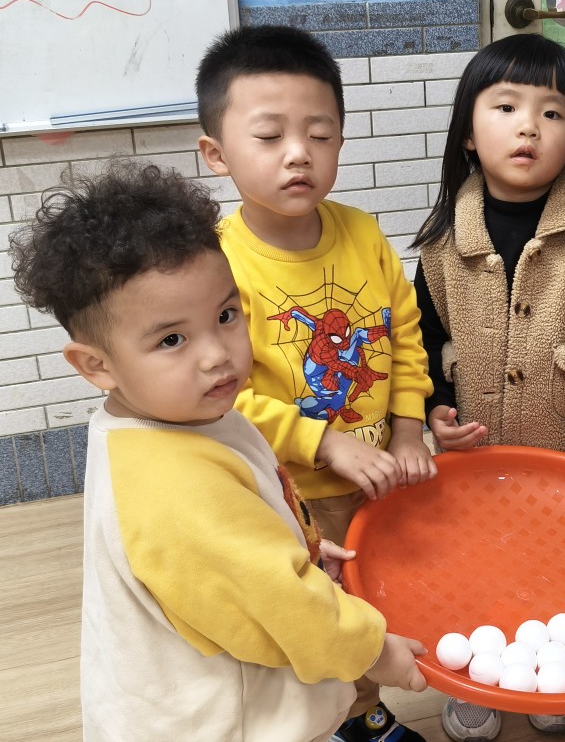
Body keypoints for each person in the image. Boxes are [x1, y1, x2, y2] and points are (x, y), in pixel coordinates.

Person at [8, 160, 428, 742]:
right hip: (219, 722)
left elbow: (238, 546)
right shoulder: (171, 485)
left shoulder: (186, 415)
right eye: (172, 339)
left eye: (227, 316)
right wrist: (374, 651)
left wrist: (296, 548)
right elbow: (284, 607)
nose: (218, 354)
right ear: (96, 365)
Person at [195, 25, 435, 742]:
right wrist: (324, 443)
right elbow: (222, 395)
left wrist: (409, 429)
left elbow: (403, 335)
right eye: (270, 136)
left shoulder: (363, 234)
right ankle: (352, 720)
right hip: (291, 491)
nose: (299, 152)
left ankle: (368, 704)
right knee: (322, 614)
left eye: (320, 134)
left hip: (383, 477)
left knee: (383, 599)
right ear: (216, 154)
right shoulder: (214, 266)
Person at [411, 33, 565, 741]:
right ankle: (476, 678)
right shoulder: (441, 242)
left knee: (560, 571)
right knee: (474, 570)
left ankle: (555, 670)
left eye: (553, 113)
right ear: (468, 134)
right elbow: (419, 342)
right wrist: (433, 410)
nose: (529, 128)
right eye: (506, 107)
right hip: (471, 464)